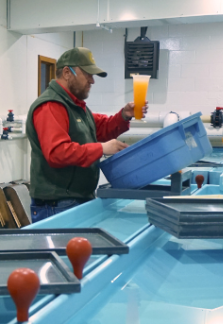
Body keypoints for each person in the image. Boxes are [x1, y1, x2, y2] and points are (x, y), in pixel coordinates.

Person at [25, 47, 147, 222]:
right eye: (88, 74)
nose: (92, 80)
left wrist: (124, 115)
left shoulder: (76, 106)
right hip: (57, 204)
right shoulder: (51, 106)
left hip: (75, 199)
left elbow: (101, 128)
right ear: (67, 72)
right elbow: (57, 153)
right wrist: (102, 148)